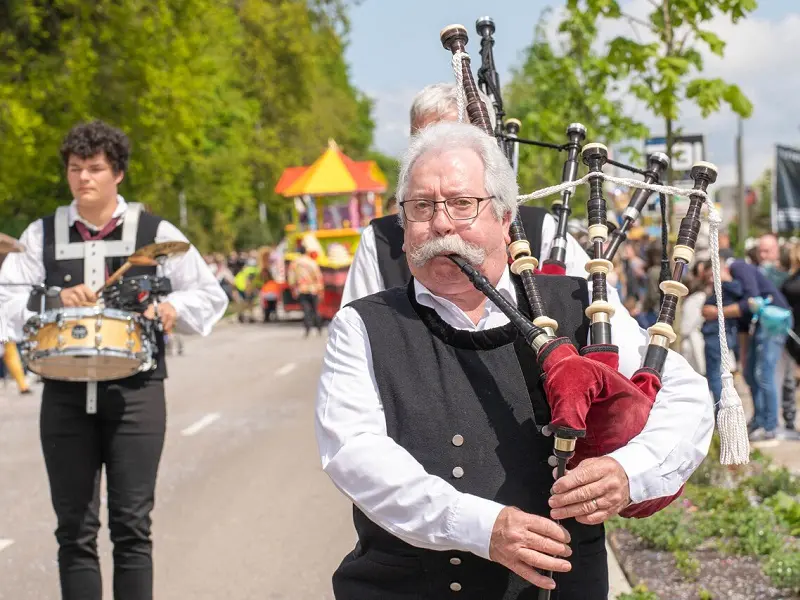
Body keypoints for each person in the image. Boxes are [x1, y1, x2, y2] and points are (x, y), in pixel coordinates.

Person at [315, 122, 714, 599]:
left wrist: (630, 472)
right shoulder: (363, 325)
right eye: (421, 207)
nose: (441, 223)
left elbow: (685, 395)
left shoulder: (582, 305)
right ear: (404, 227)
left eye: (462, 204)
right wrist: (480, 526)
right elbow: (354, 453)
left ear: (505, 219)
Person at [0, 120, 228, 600]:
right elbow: (5, 302)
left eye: (96, 168)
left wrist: (172, 309)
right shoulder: (40, 234)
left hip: (137, 393)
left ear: (118, 173)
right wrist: (57, 298)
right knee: (74, 532)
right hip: (62, 392)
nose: (84, 178)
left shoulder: (153, 231)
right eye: (76, 168)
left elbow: (208, 295)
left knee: (131, 528)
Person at [341, 83, 590, 304]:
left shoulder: (539, 228)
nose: (442, 222)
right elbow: (358, 330)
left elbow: (610, 334)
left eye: (459, 140)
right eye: (428, 142)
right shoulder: (379, 240)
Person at [702, 249, 791, 442]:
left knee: (764, 374)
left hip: (773, 320)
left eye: (711, 275)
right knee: (750, 372)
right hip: (760, 325)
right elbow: (743, 321)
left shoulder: (738, 267)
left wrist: (719, 311)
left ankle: (770, 426)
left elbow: (753, 300)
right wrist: (743, 356)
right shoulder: (731, 286)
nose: (711, 281)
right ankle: (759, 420)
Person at [287, 244, 324, 336]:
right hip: (313, 289)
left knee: (306, 310)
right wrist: (320, 289)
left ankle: (307, 329)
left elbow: (291, 278)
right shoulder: (312, 262)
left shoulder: (295, 263)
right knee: (315, 309)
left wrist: (293, 289)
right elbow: (318, 276)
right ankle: (319, 328)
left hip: (302, 289)